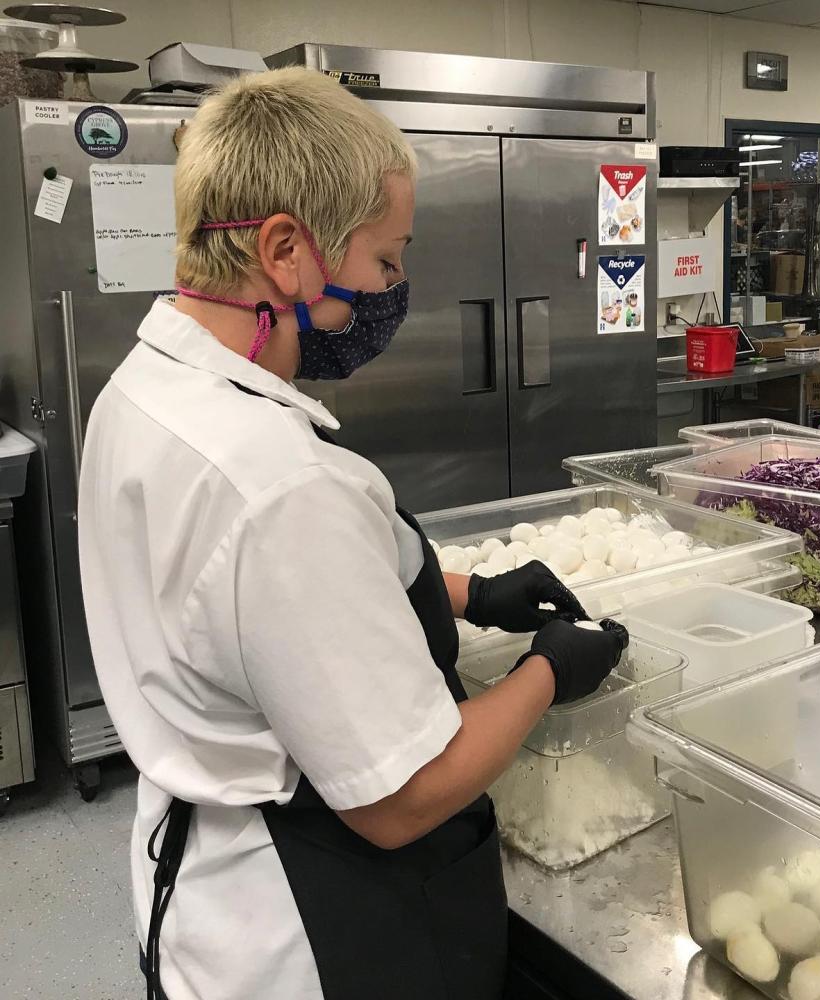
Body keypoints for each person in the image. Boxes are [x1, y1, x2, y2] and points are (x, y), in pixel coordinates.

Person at [77, 67, 627, 1000]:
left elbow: (236, 611)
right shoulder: (277, 481)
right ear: (286, 250)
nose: (392, 287)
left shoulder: (146, 389)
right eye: (384, 260)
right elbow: (401, 797)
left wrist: (466, 594)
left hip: (199, 886)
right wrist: (550, 669)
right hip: (316, 925)